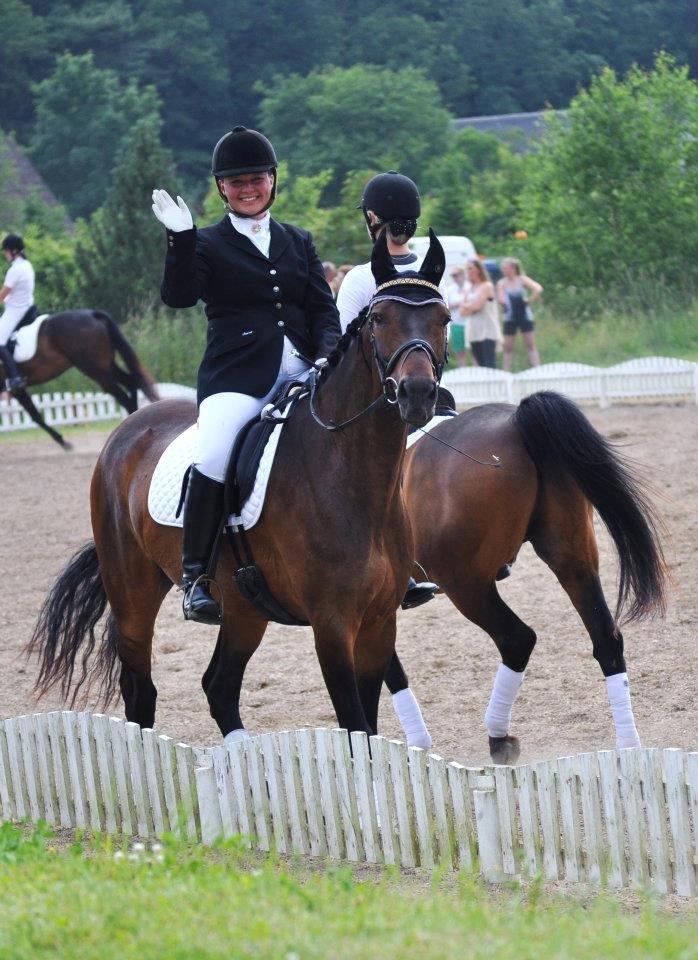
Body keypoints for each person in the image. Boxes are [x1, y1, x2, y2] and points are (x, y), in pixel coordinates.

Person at [152, 125, 341, 624]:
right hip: (236, 378)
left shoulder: (298, 240)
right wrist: (181, 239)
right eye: (236, 182)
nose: (248, 188)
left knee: (361, 433)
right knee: (213, 455)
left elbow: (323, 312)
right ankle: (196, 577)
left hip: (305, 369)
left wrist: (326, 356)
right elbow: (178, 297)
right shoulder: (209, 244)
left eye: (256, 178)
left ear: (273, 181)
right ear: (221, 188)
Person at [336, 170, 439, 610]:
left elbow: (340, 345)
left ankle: (395, 561)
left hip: (381, 399)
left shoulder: (362, 278)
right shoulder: (430, 272)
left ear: (373, 218)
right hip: (430, 388)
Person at [0, 234, 34, 391]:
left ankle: (15, 377)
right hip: (28, 307)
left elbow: (4, 294)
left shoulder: (15, 269)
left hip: (15, 310)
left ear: (13, 251)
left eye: (6, 251)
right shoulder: (27, 265)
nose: (4, 254)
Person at [497, 257, 542, 371]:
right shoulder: (501, 283)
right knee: (508, 346)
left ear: (513, 268)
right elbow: (501, 298)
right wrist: (503, 303)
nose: (503, 270)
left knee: (530, 344)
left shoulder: (522, 279)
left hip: (524, 315)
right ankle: (506, 372)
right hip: (510, 316)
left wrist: (529, 300)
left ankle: (537, 369)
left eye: (505, 268)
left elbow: (538, 289)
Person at [459, 260, 500, 369]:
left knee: (489, 363)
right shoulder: (468, 288)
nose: (468, 271)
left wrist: (467, 305)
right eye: (467, 269)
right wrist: (469, 306)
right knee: (480, 364)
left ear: (478, 270)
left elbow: (478, 306)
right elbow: (462, 311)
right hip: (473, 330)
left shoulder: (487, 286)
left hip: (487, 329)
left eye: (470, 268)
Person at [446, 264, 469, 367]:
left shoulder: (470, 286)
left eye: (456, 275)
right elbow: (447, 306)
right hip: (457, 323)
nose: (454, 277)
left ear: (463, 274)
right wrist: (461, 303)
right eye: (453, 275)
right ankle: (462, 370)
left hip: (470, 323)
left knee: (474, 351)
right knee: (460, 352)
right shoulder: (450, 290)